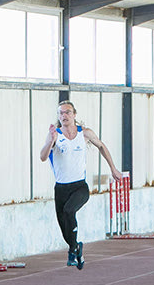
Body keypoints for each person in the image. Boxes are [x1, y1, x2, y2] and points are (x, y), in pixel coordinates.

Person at [40, 100, 123, 270]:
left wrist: (113, 168)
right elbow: (42, 157)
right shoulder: (55, 135)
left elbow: (101, 146)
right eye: (61, 113)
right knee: (65, 230)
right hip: (61, 189)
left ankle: (72, 251)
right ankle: (77, 247)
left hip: (79, 187)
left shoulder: (84, 134)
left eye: (67, 112)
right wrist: (50, 141)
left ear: (74, 114)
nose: (64, 116)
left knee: (69, 211)